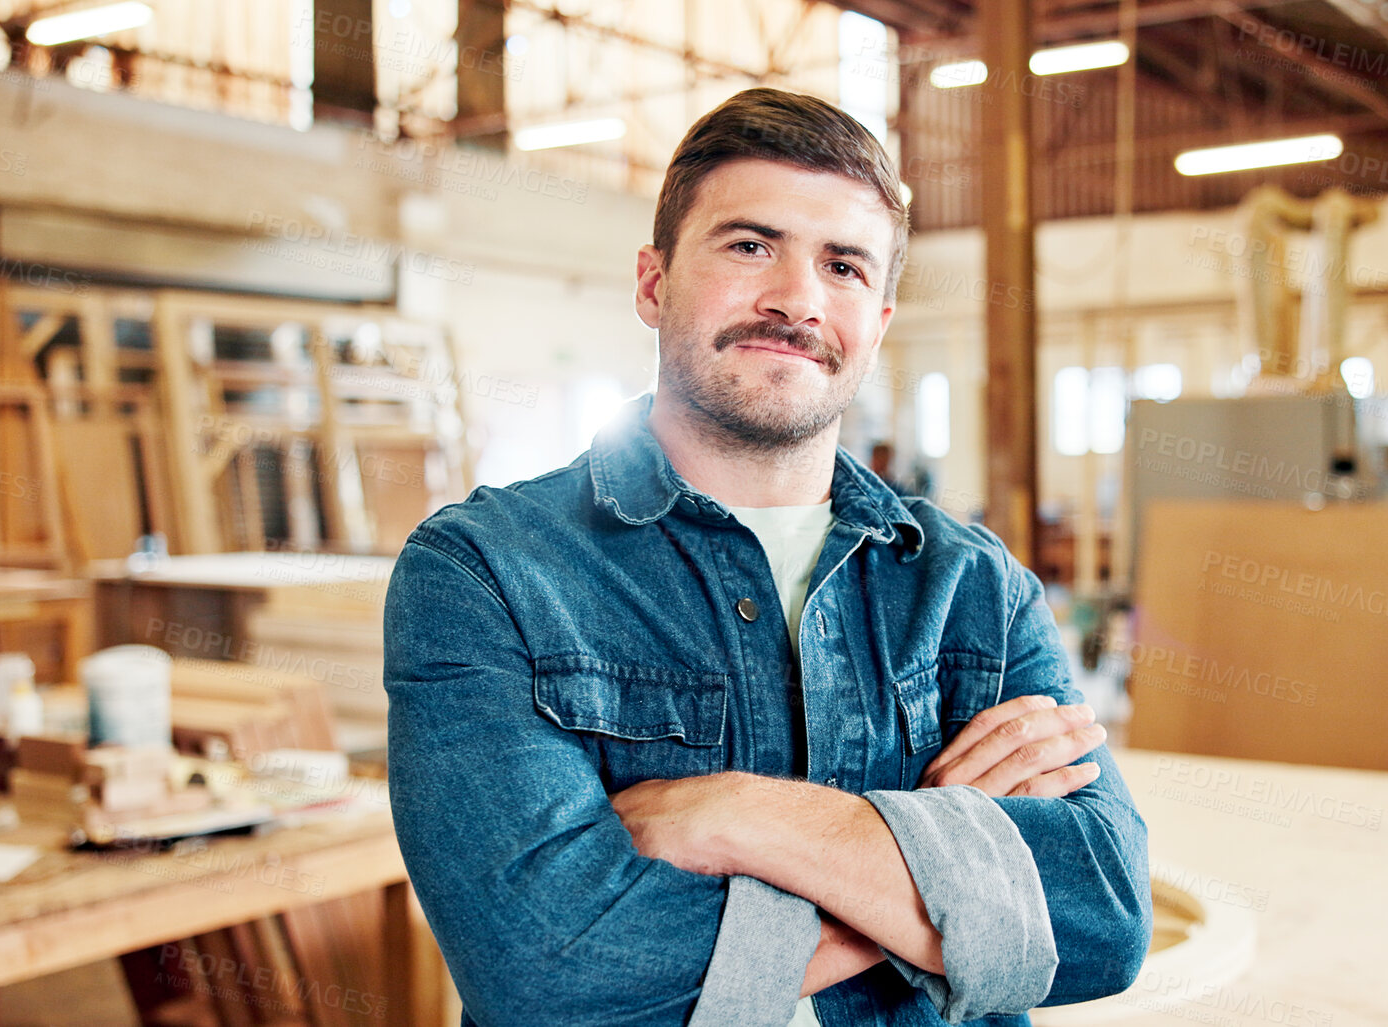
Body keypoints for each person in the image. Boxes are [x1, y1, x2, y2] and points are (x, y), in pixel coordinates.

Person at [384, 88, 1149, 1027]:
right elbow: (546, 967)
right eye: (750, 245)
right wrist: (945, 863)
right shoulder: (486, 571)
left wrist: (730, 814)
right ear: (653, 283)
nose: (796, 299)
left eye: (843, 266)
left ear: (879, 319)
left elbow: (1102, 920)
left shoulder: (972, 587)